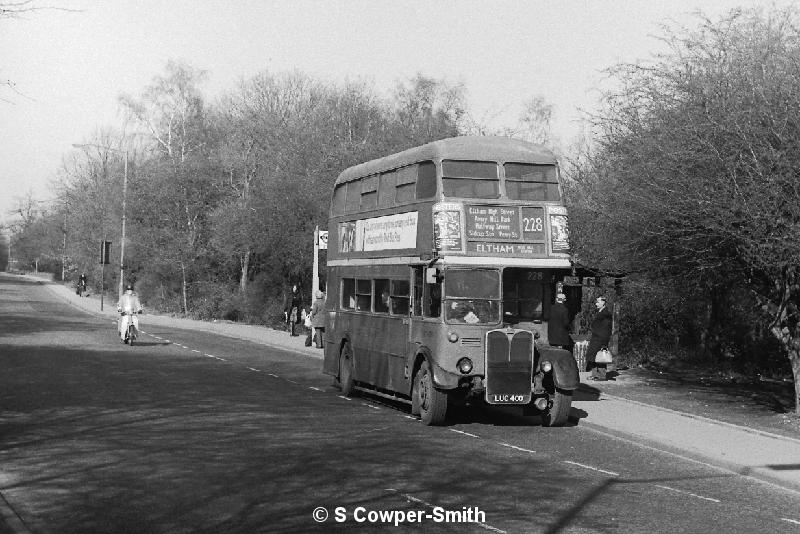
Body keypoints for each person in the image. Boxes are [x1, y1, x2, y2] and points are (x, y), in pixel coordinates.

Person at [586, 295, 613, 381]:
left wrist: (604, 342)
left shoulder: (606, 314)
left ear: (603, 302)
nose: (596, 304)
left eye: (598, 302)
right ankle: (594, 374)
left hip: (600, 339)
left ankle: (601, 376)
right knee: (592, 356)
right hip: (595, 338)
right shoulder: (600, 312)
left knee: (601, 356)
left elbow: (606, 329)